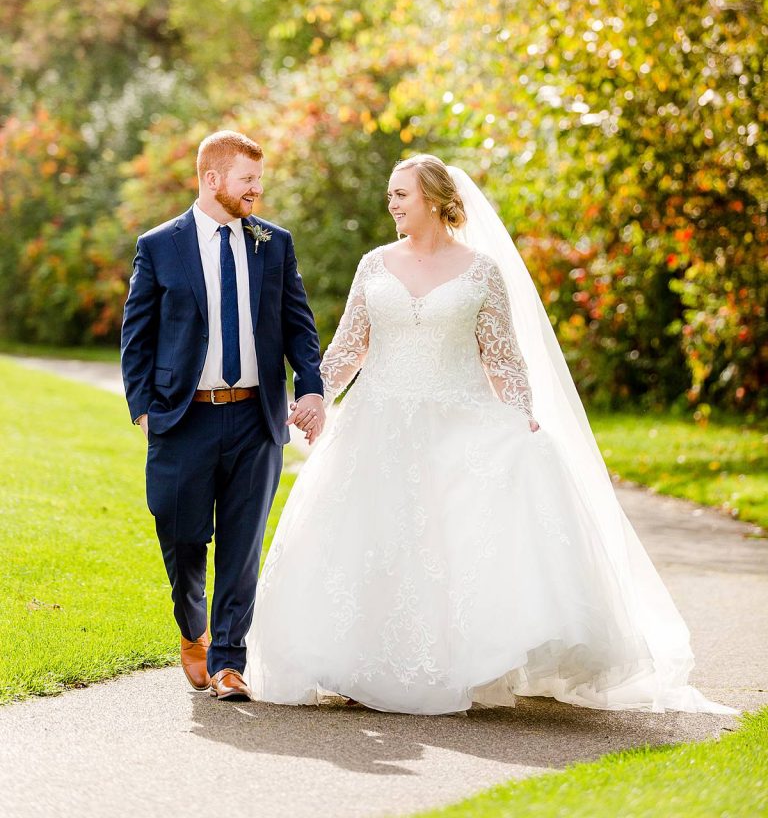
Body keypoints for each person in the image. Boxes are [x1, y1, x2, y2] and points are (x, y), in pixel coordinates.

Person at [245, 154, 735, 716]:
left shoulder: (480, 272)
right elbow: (349, 347)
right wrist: (315, 397)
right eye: (390, 193)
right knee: (374, 539)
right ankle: (357, 665)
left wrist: (522, 414)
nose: (392, 204)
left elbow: (502, 357)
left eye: (401, 194)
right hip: (377, 424)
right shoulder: (374, 265)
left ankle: (457, 665)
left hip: (458, 423)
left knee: (447, 546)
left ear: (432, 198)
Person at [121, 130, 324, 701]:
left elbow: (299, 327)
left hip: (257, 420)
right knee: (182, 538)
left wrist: (310, 390)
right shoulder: (160, 245)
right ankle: (194, 633)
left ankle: (229, 662)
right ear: (214, 181)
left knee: (242, 545)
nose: (257, 190)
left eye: (259, 180)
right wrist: (145, 414)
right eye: (248, 181)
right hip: (184, 419)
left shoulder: (274, 244)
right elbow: (136, 338)